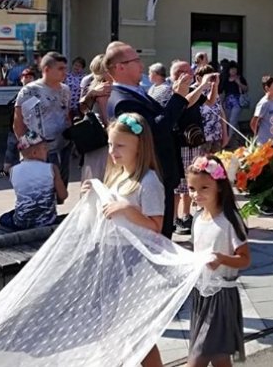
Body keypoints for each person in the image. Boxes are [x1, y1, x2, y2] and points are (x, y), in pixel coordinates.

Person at [97, 112, 168, 367]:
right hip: (116, 259)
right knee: (118, 328)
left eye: (120, 145)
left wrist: (127, 211)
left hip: (136, 262)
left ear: (139, 146)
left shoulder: (148, 181)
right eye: (110, 144)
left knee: (139, 332)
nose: (113, 151)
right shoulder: (119, 176)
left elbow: (156, 225)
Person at [105, 42, 190, 239]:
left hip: (161, 171)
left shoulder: (136, 91)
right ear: (120, 67)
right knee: (159, 234)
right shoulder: (122, 100)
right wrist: (178, 97)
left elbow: (163, 117)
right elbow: (154, 130)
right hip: (152, 171)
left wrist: (183, 95)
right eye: (136, 61)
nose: (142, 66)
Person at [185, 155, 250, 367]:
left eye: (204, 188)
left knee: (197, 359)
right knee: (220, 358)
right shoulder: (196, 218)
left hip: (221, 297)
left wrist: (222, 259)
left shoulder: (230, 220)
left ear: (219, 187)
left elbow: (245, 259)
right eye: (192, 189)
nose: (196, 194)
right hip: (201, 294)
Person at [13, 51, 73, 187]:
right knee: (41, 189)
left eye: (65, 68)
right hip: (38, 149)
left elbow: (66, 113)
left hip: (62, 146)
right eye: (60, 69)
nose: (65, 72)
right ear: (47, 69)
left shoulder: (65, 90)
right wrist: (26, 148)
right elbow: (18, 122)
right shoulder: (31, 91)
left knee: (59, 188)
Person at [174, 60, 219, 233]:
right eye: (186, 71)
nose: (191, 73)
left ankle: (186, 215)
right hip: (183, 142)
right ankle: (175, 219)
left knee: (192, 180)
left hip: (195, 141)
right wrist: (202, 84)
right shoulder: (176, 91)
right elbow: (186, 102)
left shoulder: (193, 89)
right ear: (177, 74)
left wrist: (214, 85)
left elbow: (209, 101)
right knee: (181, 185)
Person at [0, 131, 67, 230]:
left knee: (4, 218)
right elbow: (63, 195)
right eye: (44, 148)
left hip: (21, 222)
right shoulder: (52, 168)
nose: (47, 151)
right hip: (47, 221)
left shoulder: (13, 170)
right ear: (34, 153)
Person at [78, 56, 114, 184]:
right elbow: (106, 119)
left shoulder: (95, 87)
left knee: (92, 176)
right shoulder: (105, 88)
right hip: (103, 139)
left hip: (93, 138)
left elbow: (83, 108)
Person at [0, 67, 39, 177]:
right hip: (15, 125)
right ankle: (6, 170)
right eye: (25, 77)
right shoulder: (20, 92)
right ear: (21, 79)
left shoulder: (35, 92)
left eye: (30, 77)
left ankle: (27, 170)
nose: (27, 79)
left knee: (26, 149)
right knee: (11, 148)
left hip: (28, 127)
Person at [220, 61, 248, 148]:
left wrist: (238, 82)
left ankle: (227, 141)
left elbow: (246, 89)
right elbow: (221, 90)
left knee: (232, 120)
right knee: (231, 122)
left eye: (235, 69)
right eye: (231, 69)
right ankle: (240, 139)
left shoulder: (240, 78)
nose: (233, 71)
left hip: (237, 101)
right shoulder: (225, 79)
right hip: (228, 102)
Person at [251, 75, 273, 147]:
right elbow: (253, 123)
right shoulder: (263, 103)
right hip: (266, 144)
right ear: (267, 88)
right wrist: (260, 136)